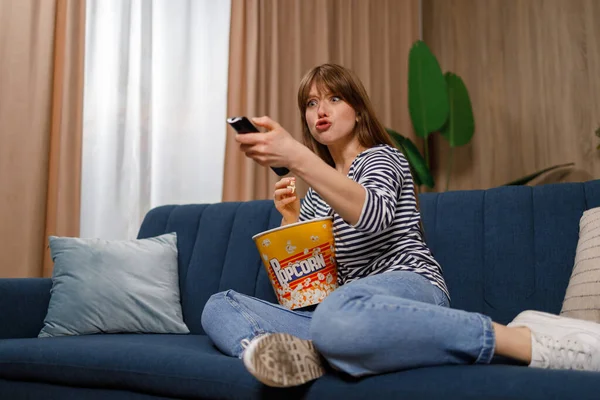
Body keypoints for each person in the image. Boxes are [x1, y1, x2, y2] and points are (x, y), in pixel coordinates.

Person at [201, 63, 600, 388]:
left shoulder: (382, 158)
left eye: (334, 99)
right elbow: (310, 291)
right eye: (310, 103)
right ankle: (305, 358)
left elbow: (372, 218)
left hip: (408, 286)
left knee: (338, 313)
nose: (319, 110)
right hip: (339, 310)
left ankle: (522, 338)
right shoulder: (316, 195)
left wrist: (300, 159)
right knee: (221, 305)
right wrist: (291, 220)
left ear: (356, 110)